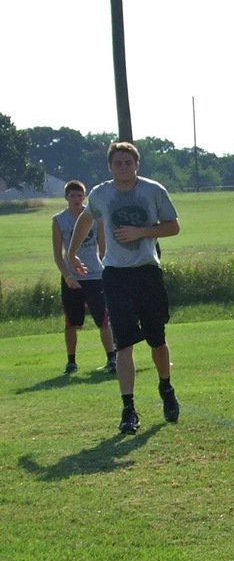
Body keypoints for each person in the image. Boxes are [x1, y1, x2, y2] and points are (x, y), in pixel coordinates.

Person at [67, 141, 181, 434]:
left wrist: (141, 232)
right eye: (117, 163)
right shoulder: (101, 194)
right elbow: (86, 218)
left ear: (136, 165)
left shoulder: (153, 191)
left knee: (157, 339)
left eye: (128, 163)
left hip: (147, 272)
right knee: (124, 344)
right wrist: (71, 252)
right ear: (110, 166)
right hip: (115, 276)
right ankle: (128, 409)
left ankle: (166, 388)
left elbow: (173, 226)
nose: (123, 167)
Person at [53, 179, 116, 374]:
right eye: (72, 195)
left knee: (104, 319)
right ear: (66, 197)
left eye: (80, 195)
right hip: (73, 278)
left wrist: (107, 270)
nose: (77, 199)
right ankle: (71, 361)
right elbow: (58, 255)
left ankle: (111, 358)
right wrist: (67, 276)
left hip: (95, 275)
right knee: (72, 321)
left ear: (84, 197)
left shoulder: (95, 219)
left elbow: (103, 248)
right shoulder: (59, 220)